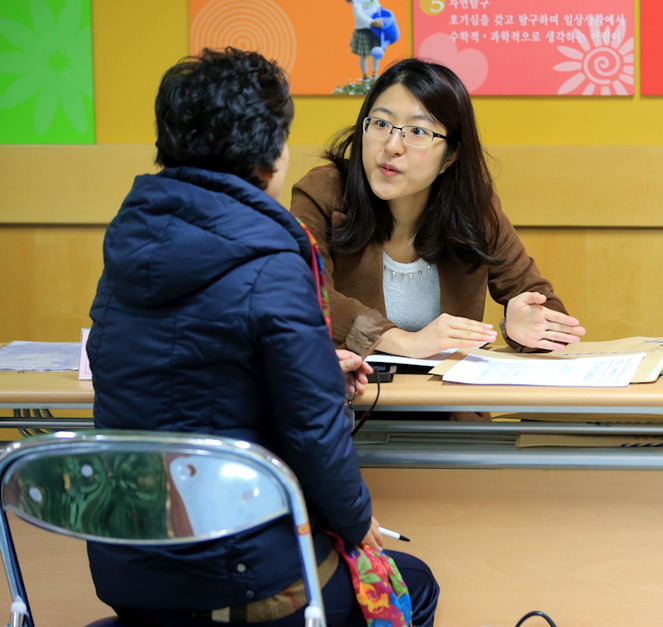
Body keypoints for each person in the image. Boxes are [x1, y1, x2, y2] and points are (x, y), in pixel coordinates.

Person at [86, 47, 437, 626]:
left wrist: (316, 366)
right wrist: (357, 526)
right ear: (269, 154)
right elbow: (312, 432)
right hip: (243, 579)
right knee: (413, 584)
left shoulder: (127, 245)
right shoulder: (273, 256)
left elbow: (187, 376)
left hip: (133, 576)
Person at [291, 57, 586, 361]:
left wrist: (522, 326)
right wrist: (404, 342)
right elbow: (305, 294)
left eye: (417, 132)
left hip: (447, 404)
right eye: (380, 124)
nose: (392, 145)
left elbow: (544, 306)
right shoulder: (322, 192)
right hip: (355, 402)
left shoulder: (473, 207)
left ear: (450, 156)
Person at [348, 0, 384, 81]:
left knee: (376, 53)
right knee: (363, 55)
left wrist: (381, 19)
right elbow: (359, 15)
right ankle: (365, 76)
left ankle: (375, 74)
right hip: (363, 30)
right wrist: (371, 22)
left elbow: (379, 8)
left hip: (375, 31)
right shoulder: (357, 2)